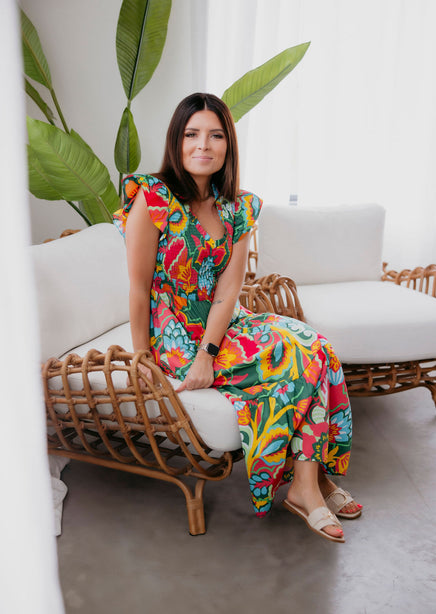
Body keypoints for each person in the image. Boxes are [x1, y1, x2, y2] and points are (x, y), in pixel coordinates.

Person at [113, 92, 362, 543]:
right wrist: (142, 356)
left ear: (228, 144)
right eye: (191, 134)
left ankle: (310, 482)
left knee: (317, 347)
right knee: (294, 360)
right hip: (175, 335)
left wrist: (210, 351)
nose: (202, 145)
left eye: (215, 135)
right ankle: (310, 487)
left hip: (222, 325)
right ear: (176, 141)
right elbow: (138, 287)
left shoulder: (237, 207)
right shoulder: (152, 198)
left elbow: (229, 291)